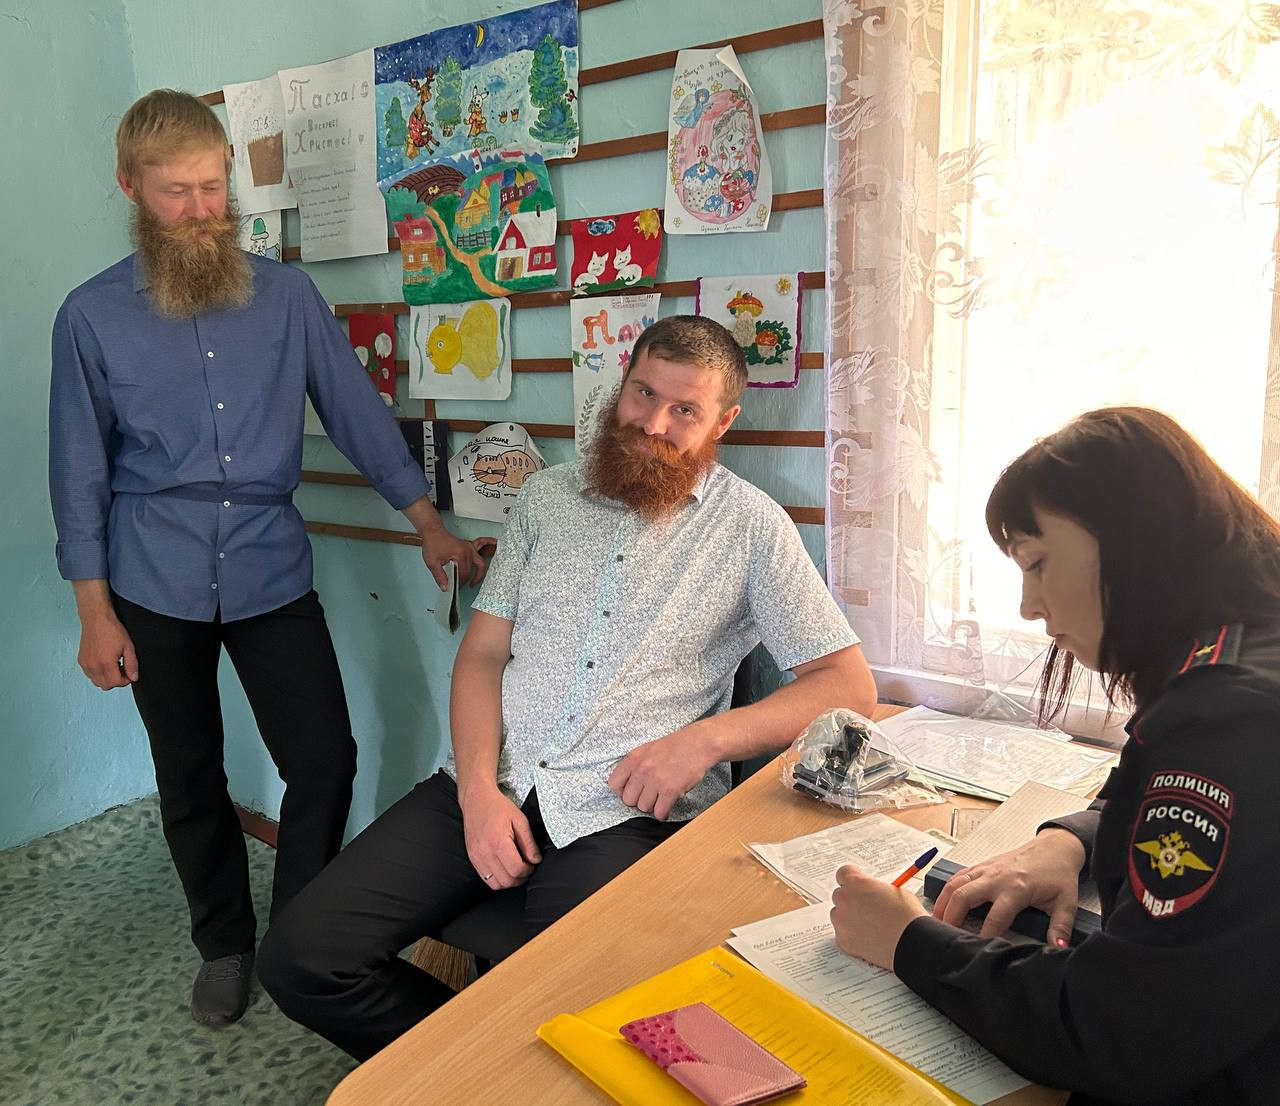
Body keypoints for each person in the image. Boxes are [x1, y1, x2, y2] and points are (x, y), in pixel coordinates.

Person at [257, 315, 877, 1060]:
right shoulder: (546, 498)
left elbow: (848, 685)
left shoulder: (752, 528)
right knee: (299, 960)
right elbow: (482, 657)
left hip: (626, 812)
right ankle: (476, 1076)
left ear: (723, 423)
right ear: (623, 384)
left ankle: (502, 1072)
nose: (653, 423)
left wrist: (705, 741)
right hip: (493, 779)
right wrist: (477, 795)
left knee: (583, 1013)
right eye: (643, 393)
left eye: (685, 410)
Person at [48, 89, 488, 1028]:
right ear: (130, 186)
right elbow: (78, 470)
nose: (200, 210)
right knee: (190, 774)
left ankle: (300, 938)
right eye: (175, 192)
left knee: (325, 759)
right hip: (150, 575)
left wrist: (427, 523)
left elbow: (357, 416)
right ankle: (223, 945)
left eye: (213, 187)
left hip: (268, 567)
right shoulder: (90, 316)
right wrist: (94, 611)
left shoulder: (287, 298)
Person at [829, 407, 1280, 1105]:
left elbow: (1122, 1027)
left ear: (1135, 536)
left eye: (1037, 564)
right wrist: (1069, 841)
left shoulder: (1232, 721)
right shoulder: (1241, 648)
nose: (1029, 606)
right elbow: (1149, 779)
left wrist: (907, 942)